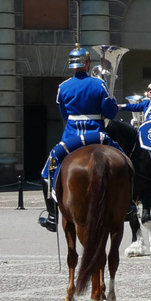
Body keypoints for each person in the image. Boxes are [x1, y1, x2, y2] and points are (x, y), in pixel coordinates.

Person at [39, 44, 126, 232]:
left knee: (47, 171)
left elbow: (64, 114)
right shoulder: (99, 84)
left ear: (72, 65)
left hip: (71, 138)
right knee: (126, 163)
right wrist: (109, 100)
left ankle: (53, 215)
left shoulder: (63, 87)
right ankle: (130, 207)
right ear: (87, 63)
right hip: (97, 135)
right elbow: (110, 113)